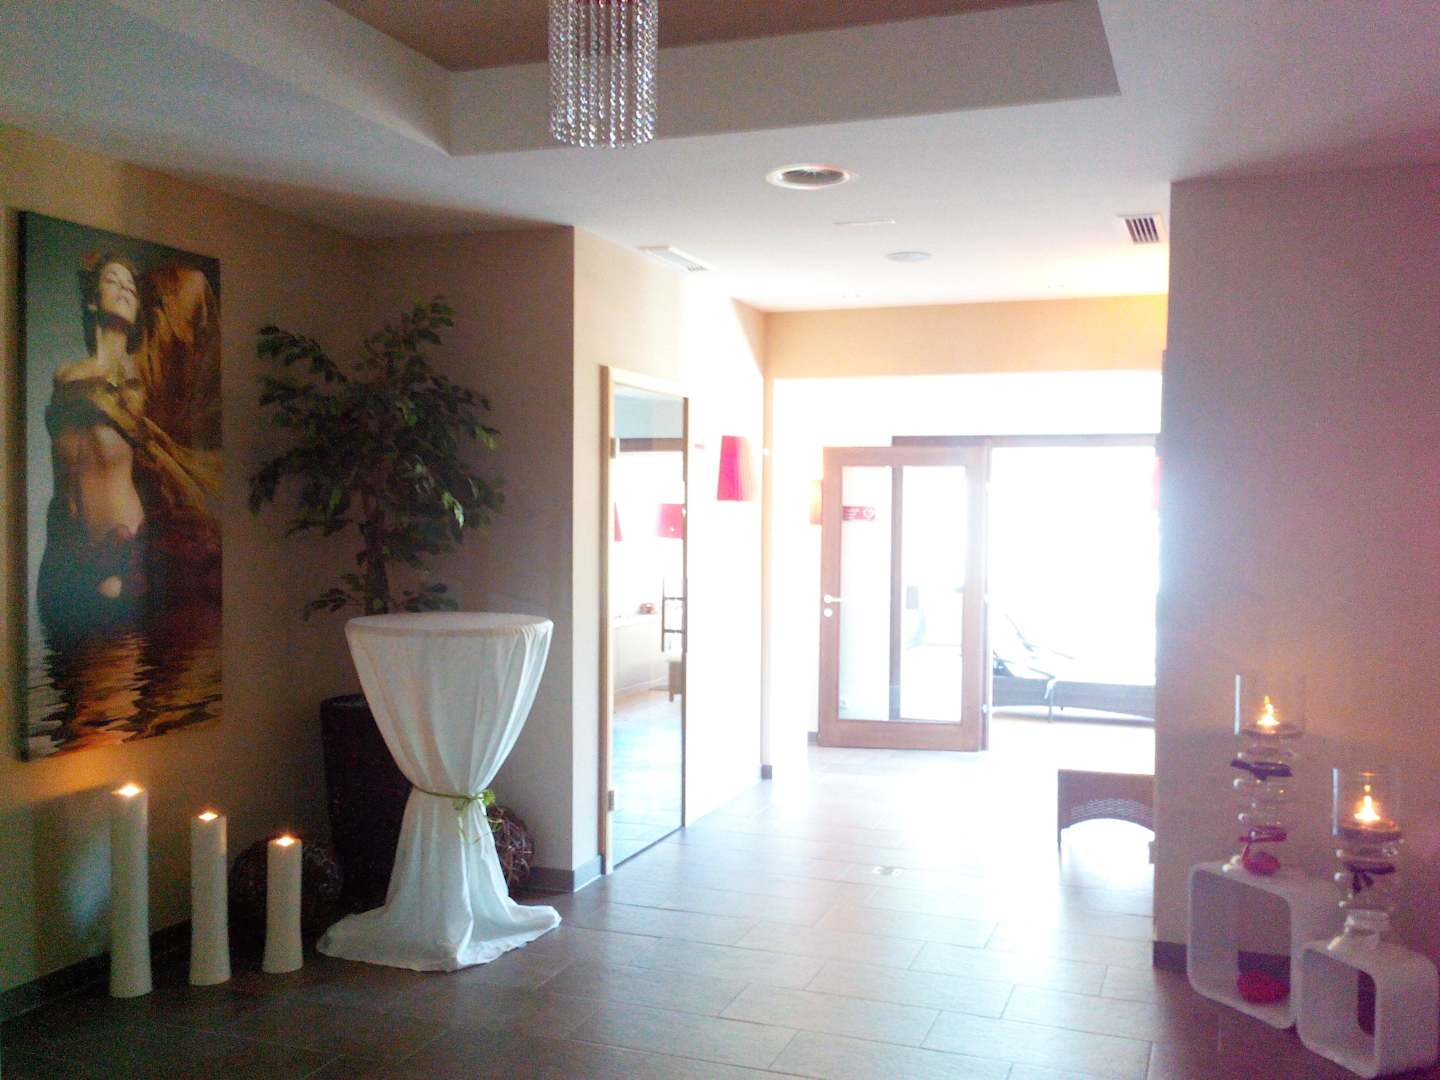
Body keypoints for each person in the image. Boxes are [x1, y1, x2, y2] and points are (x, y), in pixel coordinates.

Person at [38, 252, 221, 637]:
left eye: (131, 287)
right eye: (112, 280)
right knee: (66, 662)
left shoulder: (142, 372)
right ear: (93, 300)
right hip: (65, 540)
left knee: (115, 658)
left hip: (118, 536)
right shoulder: (65, 374)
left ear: (140, 311)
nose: (123, 288)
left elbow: (191, 288)